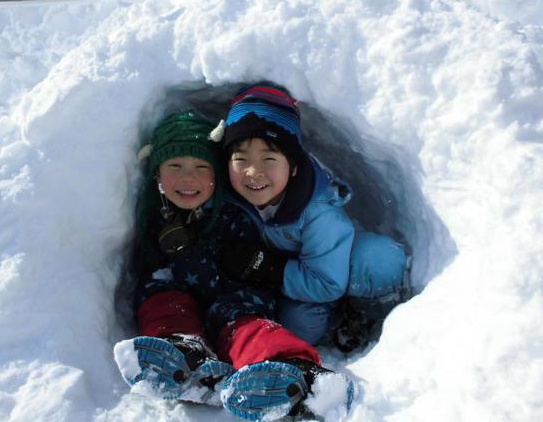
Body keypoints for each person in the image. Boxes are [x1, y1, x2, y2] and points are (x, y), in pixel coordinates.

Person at [113, 110, 354, 420]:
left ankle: (294, 370)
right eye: (175, 166)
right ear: (157, 175)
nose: (189, 178)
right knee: (160, 296)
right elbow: (147, 268)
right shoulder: (153, 216)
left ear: (218, 174)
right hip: (181, 298)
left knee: (247, 327)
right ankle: (183, 353)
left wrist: (188, 253)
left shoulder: (231, 212)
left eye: (202, 167)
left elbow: (222, 277)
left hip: (233, 296)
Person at [210, 83, 409, 351]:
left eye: (269, 159)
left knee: (379, 261)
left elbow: (327, 283)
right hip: (299, 276)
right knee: (297, 328)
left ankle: (365, 312)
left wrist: (270, 269)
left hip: (337, 266)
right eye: (241, 160)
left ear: (293, 167)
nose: (253, 172)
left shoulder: (318, 210)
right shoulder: (232, 195)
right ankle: (333, 319)